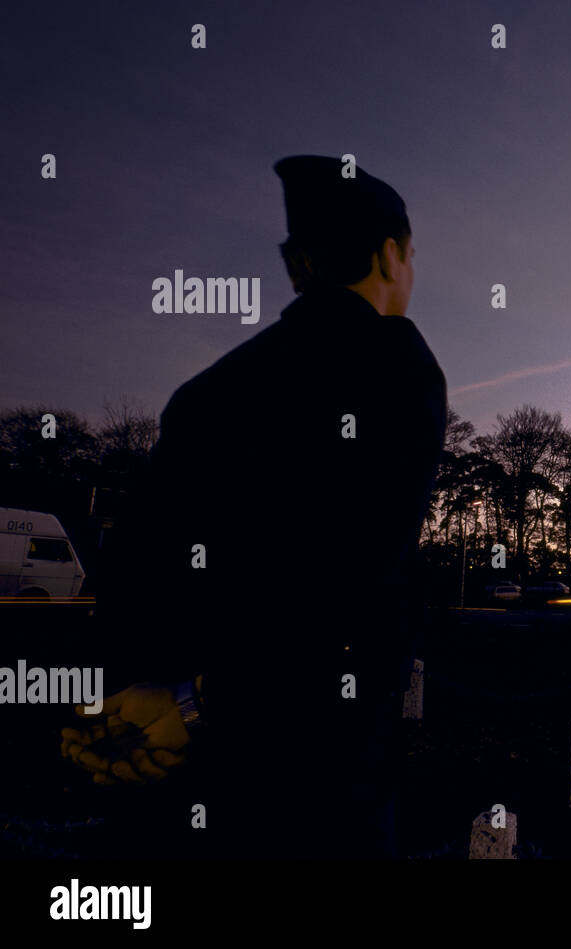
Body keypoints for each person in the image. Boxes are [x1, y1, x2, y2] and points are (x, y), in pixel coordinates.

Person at [62, 155, 447, 857]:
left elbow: (131, 572)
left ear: (296, 263)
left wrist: (111, 714)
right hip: (314, 786)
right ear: (391, 256)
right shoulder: (396, 364)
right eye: (411, 255)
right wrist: (199, 704)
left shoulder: (206, 390)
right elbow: (354, 585)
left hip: (176, 780)